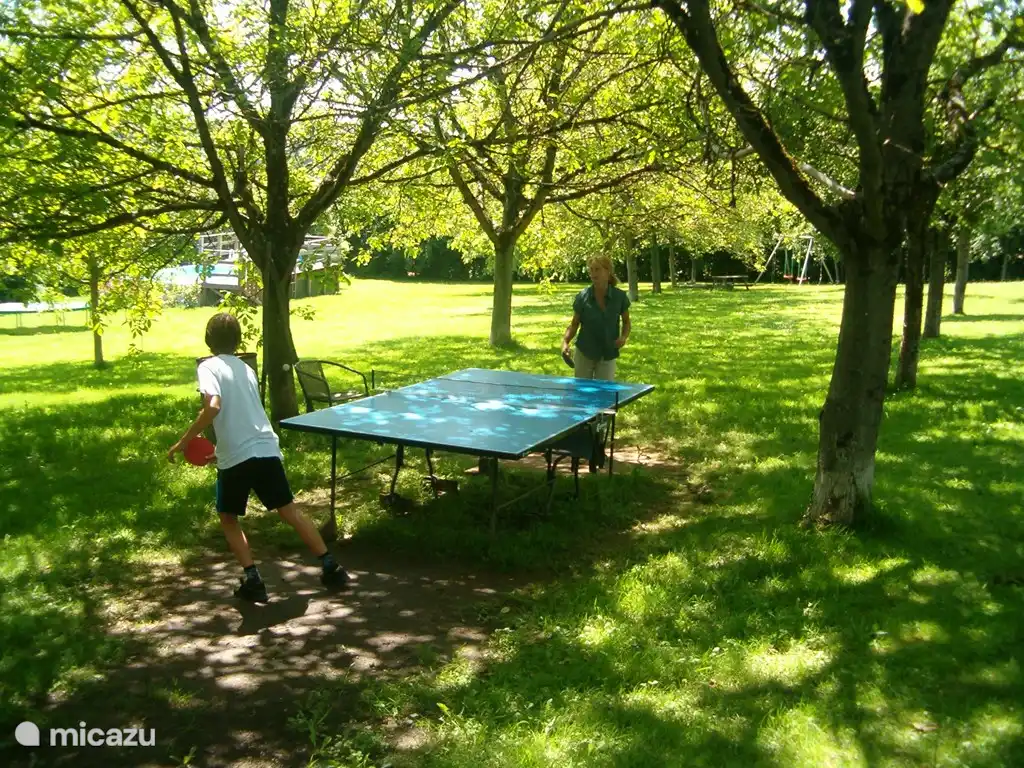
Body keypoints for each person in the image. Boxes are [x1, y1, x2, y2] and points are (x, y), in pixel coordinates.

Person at [168, 312, 349, 603]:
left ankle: (253, 579)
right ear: (237, 340)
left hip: (238, 457)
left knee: (228, 517)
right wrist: (222, 450)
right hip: (265, 447)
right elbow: (243, 414)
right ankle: (331, 566)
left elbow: (214, 406)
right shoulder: (246, 369)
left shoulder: (208, 367)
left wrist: (183, 441)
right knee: (289, 510)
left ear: (208, 340)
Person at [561, 254, 631, 380]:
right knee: (582, 393)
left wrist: (623, 337)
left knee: (605, 394)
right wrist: (565, 342)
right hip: (585, 352)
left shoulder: (619, 297)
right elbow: (574, 324)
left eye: (597, 269)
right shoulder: (583, 297)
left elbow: (626, 322)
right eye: (591, 270)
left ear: (608, 271)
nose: (593, 273)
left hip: (608, 352)